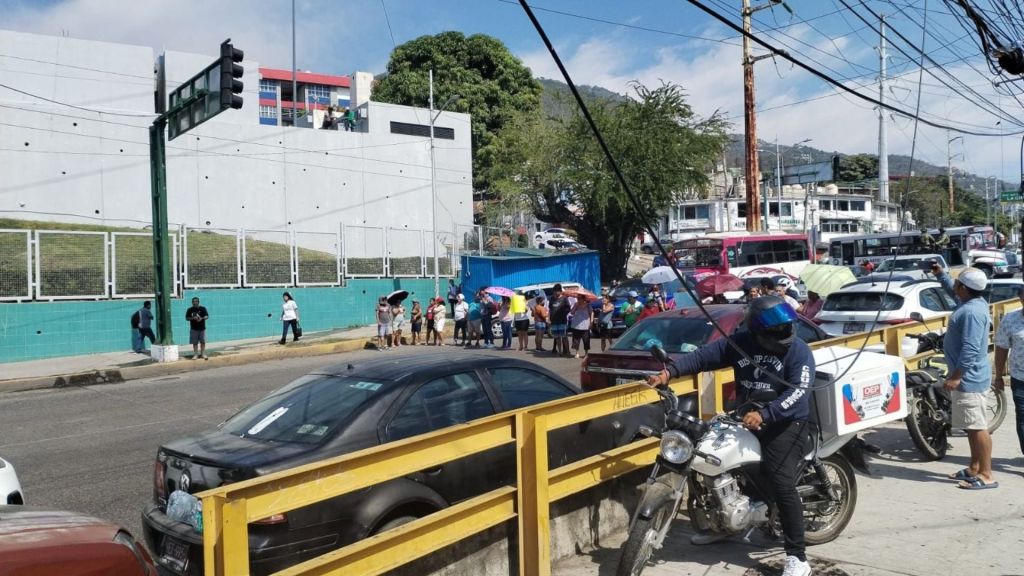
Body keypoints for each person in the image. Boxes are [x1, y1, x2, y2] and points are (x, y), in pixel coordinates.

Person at [647, 296, 815, 576]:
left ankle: (797, 558)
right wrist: (670, 372)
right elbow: (703, 356)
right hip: (745, 416)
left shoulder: (798, 351)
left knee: (781, 483)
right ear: (757, 331)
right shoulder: (739, 343)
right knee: (715, 462)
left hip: (786, 423)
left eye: (785, 328)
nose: (783, 334)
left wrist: (767, 413)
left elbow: (799, 392)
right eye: (776, 330)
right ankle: (724, 524)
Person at [932, 265, 996, 489]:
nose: (955, 285)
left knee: (978, 427)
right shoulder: (971, 302)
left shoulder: (971, 312)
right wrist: (940, 275)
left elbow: (970, 348)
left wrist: (956, 376)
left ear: (965, 288)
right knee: (970, 425)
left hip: (970, 380)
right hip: (968, 379)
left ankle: (986, 475)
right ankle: (974, 468)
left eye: (958, 283)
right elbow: (952, 291)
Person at [994, 285, 1024, 459]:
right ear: (1020, 298)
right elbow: (1001, 349)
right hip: (1020, 379)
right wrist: (998, 376)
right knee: (1022, 419)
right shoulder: (1010, 319)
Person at [548, 284, 571, 356]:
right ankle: (560, 352)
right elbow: (550, 309)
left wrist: (563, 313)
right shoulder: (552, 298)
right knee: (557, 337)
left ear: (560, 291)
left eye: (557, 291)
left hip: (562, 321)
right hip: (554, 321)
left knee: (564, 337)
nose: (555, 293)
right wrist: (549, 318)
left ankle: (567, 352)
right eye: (554, 291)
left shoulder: (564, 299)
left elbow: (568, 308)